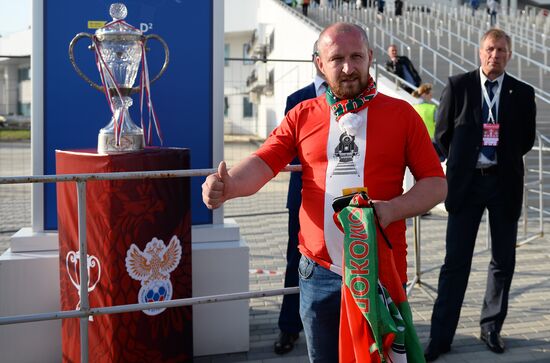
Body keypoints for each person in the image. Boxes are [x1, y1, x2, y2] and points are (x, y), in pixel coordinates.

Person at [203, 22, 447, 362]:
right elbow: (264, 162)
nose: (348, 68)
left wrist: (391, 210)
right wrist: (229, 186)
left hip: (381, 270)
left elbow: (435, 184)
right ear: (320, 64)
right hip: (318, 272)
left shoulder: (402, 115)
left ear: (370, 58)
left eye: (356, 57)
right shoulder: (302, 114)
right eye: (337, 59)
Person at [424, 28, 536, 361]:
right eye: (490, 49)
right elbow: (442, 136)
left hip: (504, 184)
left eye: (502, 50)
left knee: (503, 261)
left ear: (510, 55)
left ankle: (491, 328)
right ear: (480, 51)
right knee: (455, 263)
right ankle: (441, 337)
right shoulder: (459, 86)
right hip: (466, 185)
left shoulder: (522, 92)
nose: (495, 55)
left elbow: (526, 140)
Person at [273, 41, 327, 355]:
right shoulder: (298, 99)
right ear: (317, 61)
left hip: (347, 198)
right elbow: (287, 146)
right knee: (298, 261)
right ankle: (289, 327)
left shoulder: (359, 99)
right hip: (305, 197)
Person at [412, 83, 445, 162]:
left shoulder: (412, 107)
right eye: (430, 94)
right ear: (424, 94)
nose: (431, 96)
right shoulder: (432, 108)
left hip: (416, 144)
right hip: (431, 144)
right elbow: (440, 126)